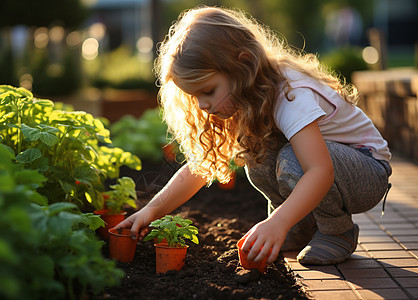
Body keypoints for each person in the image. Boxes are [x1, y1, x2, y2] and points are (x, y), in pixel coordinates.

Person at [115, 6, 392, 266]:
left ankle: (337, 231)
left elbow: (320, 171)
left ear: (243, 64)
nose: (202, 105)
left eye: (208, 91)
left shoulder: (289, 94)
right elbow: (200, 169)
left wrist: (277, 223)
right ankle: (299, 228)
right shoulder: (247, 99)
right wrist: (150, 211)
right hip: (334, 168)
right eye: (195, 96)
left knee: (289, 158)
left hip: (367, 170)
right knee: (256, 154)